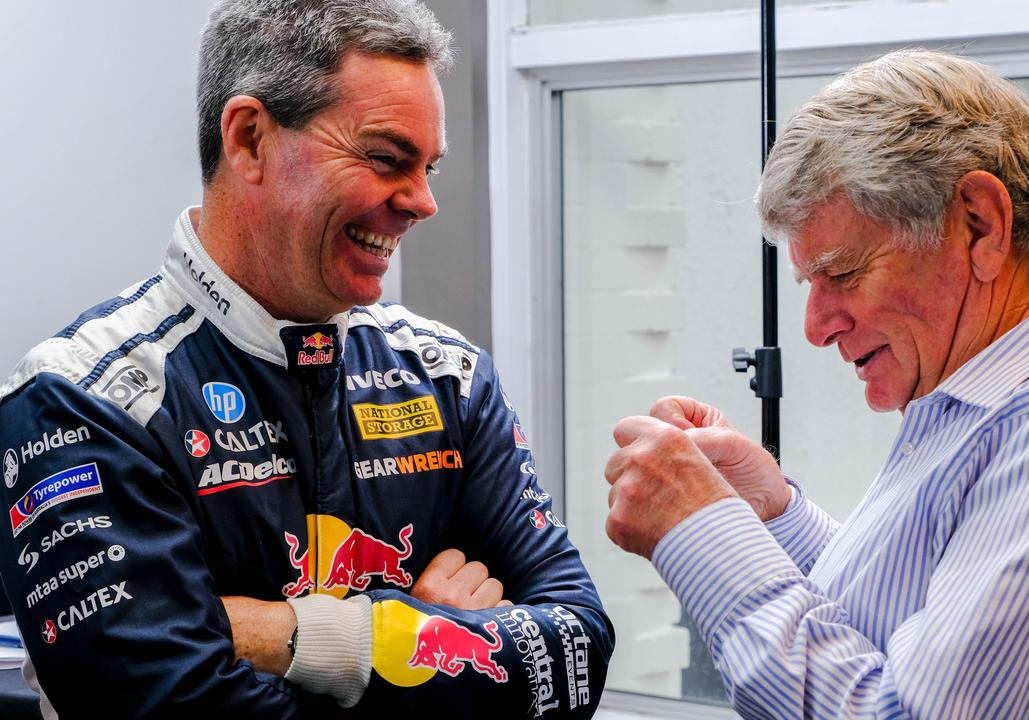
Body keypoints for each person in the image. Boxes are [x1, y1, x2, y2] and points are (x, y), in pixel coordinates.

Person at [604, 49, 1029, 719]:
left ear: (980, 224)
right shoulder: (1013, 395)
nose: (816, 327)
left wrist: (705, 534)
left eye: (844, 274)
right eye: (809, 284)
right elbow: (925, 627)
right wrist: (774, 515)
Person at [0, 0, 611, 716]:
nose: (423, 202)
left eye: (429, 167)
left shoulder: (451, 377)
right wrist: (425, 635)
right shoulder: (82, 397)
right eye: (387, 158)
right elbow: (173, 706)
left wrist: (305, 636)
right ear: (251, 139)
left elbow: (576, 655)